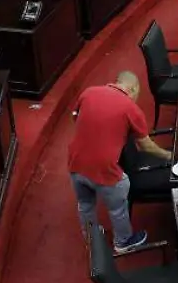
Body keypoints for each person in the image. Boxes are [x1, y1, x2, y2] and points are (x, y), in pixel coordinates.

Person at [69, 71, 172, 251]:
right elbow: (146, 146)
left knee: (85, 204)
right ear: (133, 88)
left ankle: (91, 238)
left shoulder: (89, 92)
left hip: (75, 163)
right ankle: (123, 242)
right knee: (118, 203)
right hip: (105, 170)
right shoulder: (130, 108)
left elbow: (76, 118)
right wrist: (169, 155)